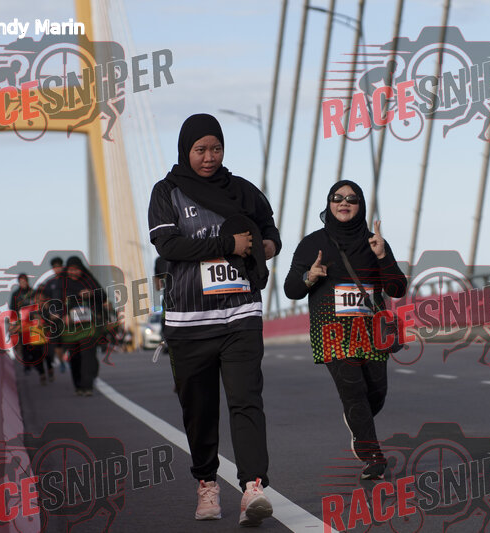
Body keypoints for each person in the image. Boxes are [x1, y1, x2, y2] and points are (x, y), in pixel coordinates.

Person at [148, 113, 281, 526]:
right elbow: (169, 245)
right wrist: (228, 244)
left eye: (216, 148)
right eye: (200, 150)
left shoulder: (243, 191)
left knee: (247, 400)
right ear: (185, 151)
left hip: (241, 314)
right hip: (189, 321)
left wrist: (265, 247)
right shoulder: (166, 192)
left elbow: (270, 233)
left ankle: (253, 488)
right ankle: (206, 483)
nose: (209, 157)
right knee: (199, 409)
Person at [284, 180, 406, 480]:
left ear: (360, 205)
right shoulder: (312, 243)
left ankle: (357, 421)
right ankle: (372, 456)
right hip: (332, 331)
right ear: (329, 204)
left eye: (352, 199)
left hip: (371, 331)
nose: (344, 203)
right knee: (354, 390)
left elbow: (397, 288)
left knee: (376, 393)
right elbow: (291, 289)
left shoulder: (375, 243)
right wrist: (310, 276)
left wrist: (383, 257)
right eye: (337, 198)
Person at [58, 256, 109, 397]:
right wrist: (63, 315)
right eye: (71, 270)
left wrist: (91, 294)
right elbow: (55, 302)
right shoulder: (62, 283)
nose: (74, 272)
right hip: (70, 327)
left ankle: (87, 386)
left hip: (88, 325)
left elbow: (103, 296)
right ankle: (78, 385)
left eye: (77, 270)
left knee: (88, 354)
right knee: (74, 356)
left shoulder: (88, 280)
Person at [39, 256, 65, 379]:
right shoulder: (50, 283)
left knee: (70, 341)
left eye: (59, 266)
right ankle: (62, 362)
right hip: (55, 318)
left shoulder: (68, 281)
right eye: (55, 267)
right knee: (57, 343)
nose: (57, 269)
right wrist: (49, 313)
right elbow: (44, 299)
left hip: (68, 316)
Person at [9, 273, 35, 371]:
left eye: (24, 281)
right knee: (24, 344)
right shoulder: (15, 294)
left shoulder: (33, 292)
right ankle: (27, 365)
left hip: (33, 321)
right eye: (21, 282)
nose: (23, 283)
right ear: (19, 282)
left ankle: (34, 360)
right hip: (21, 322)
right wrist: (13, 323)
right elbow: (12, 309)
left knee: (34, 342)